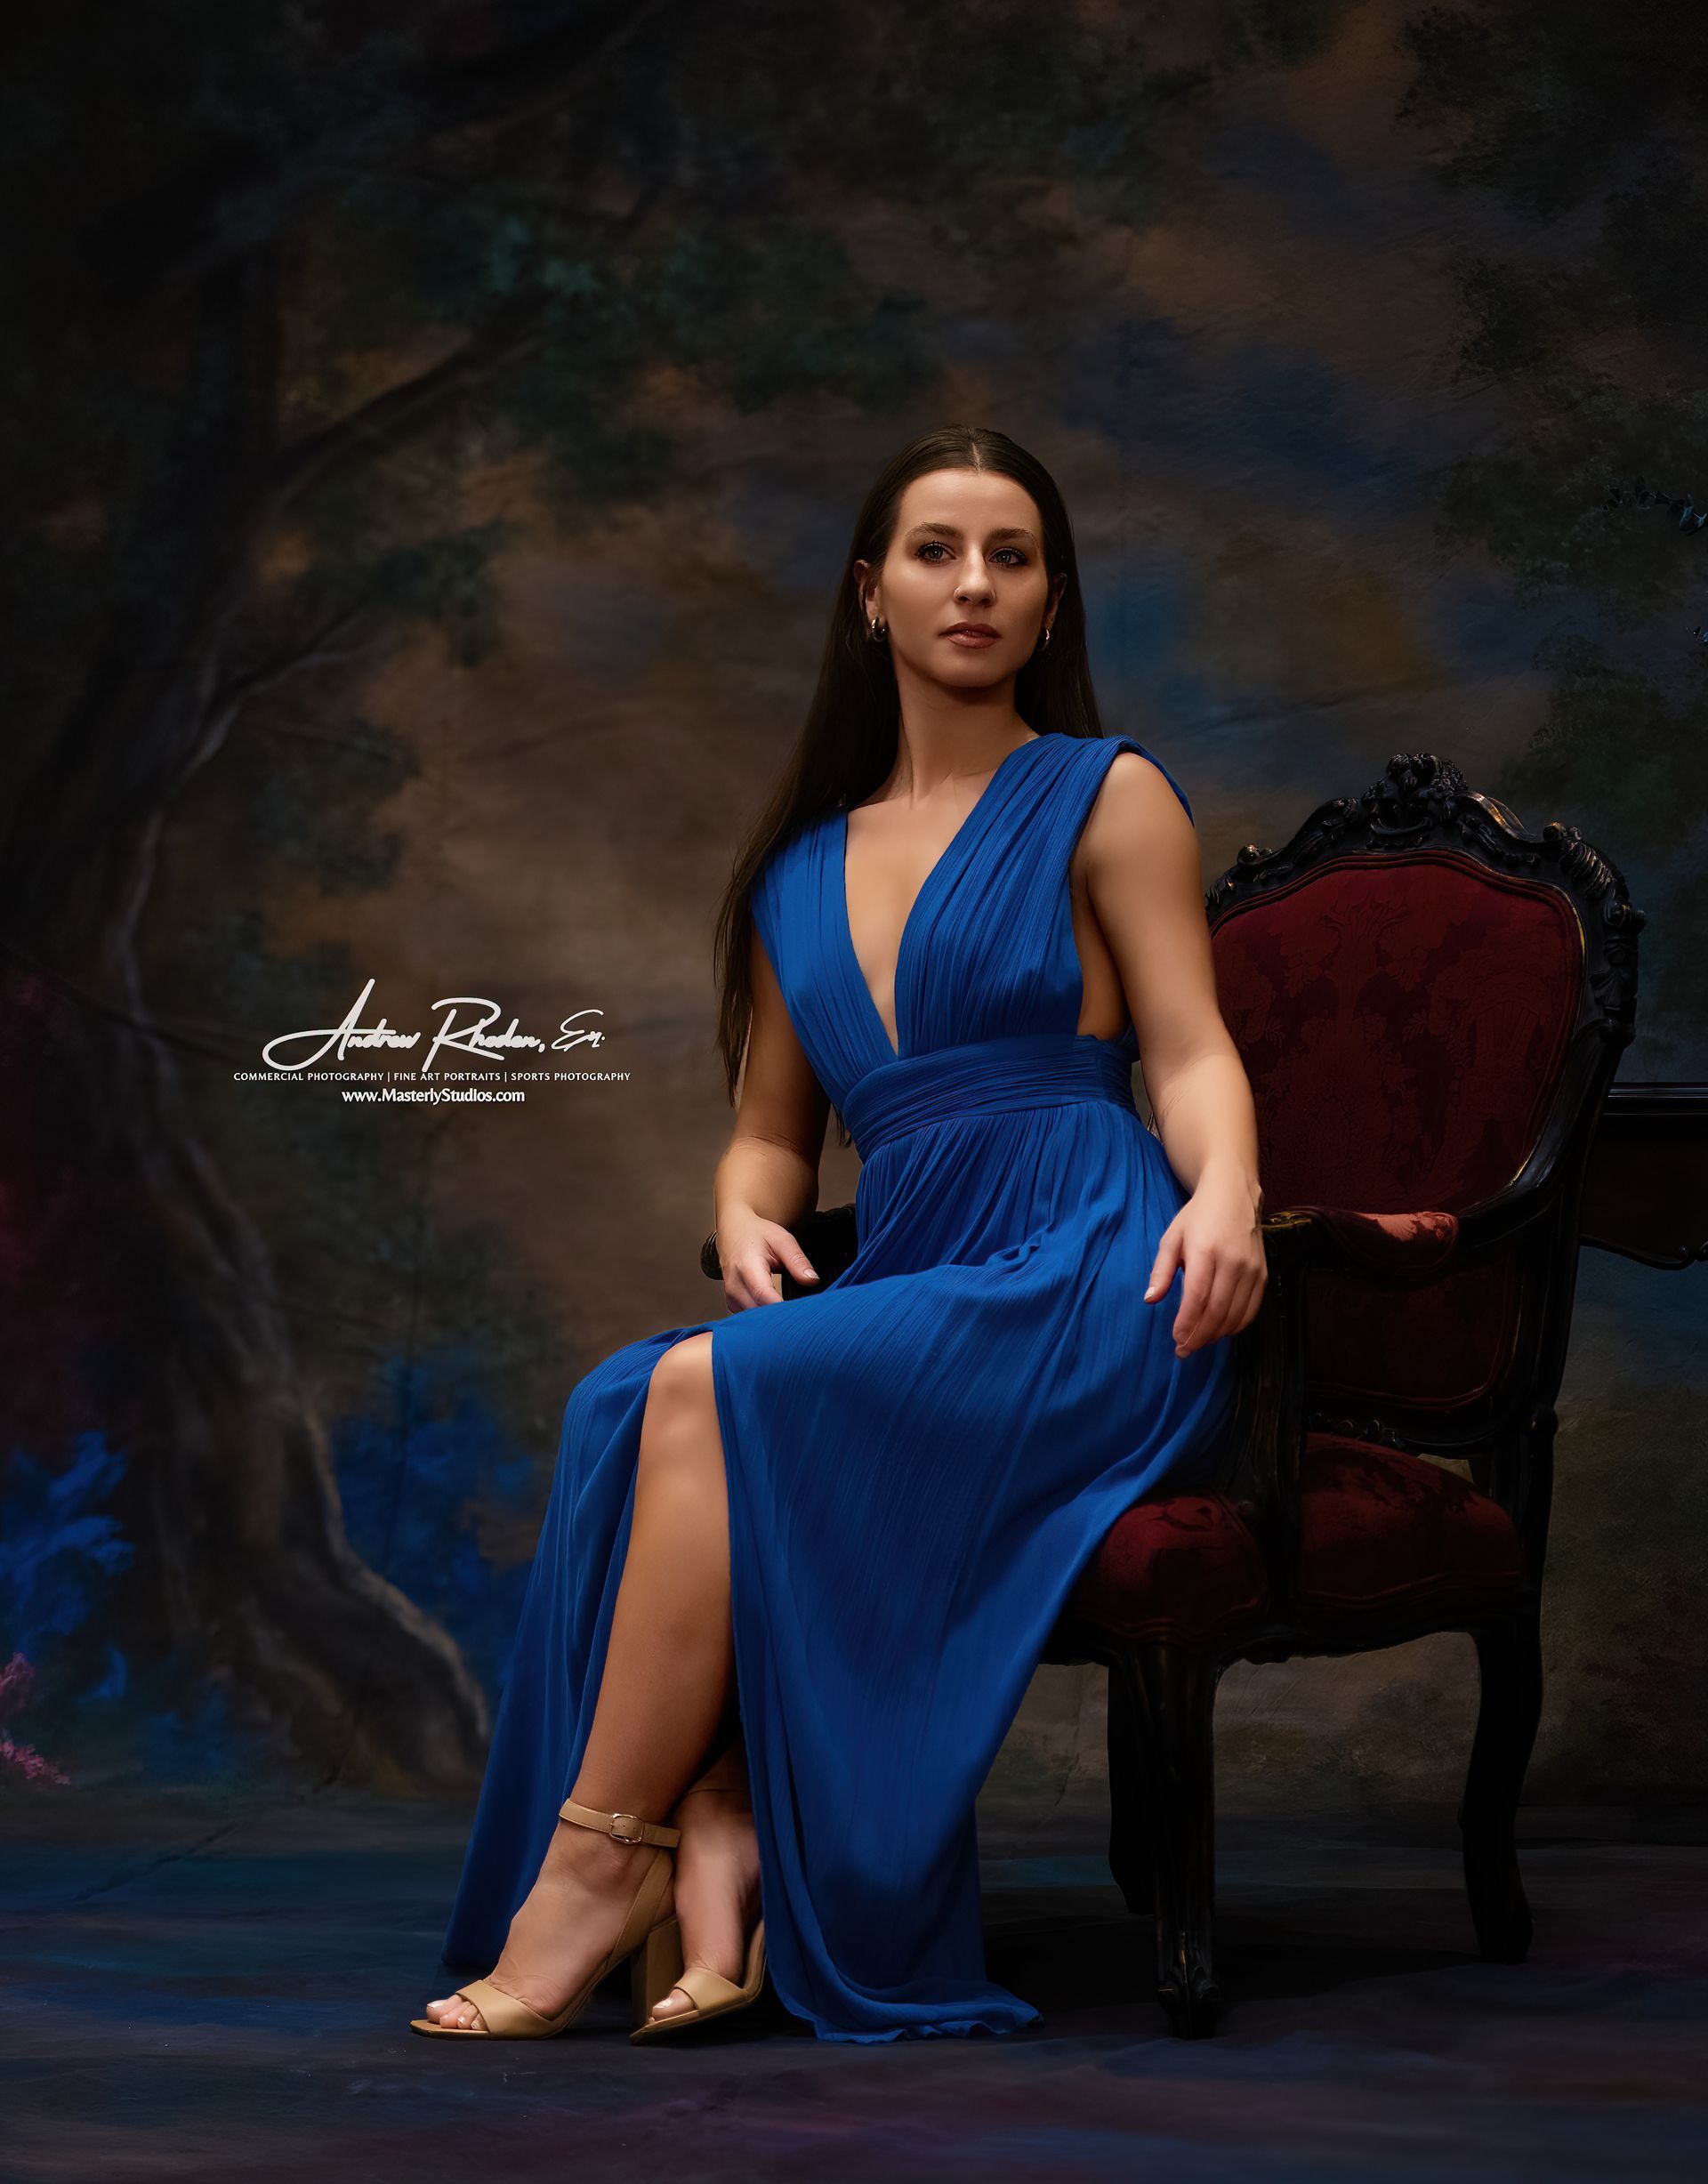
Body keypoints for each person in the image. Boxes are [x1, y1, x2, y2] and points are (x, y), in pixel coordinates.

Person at [412, 423, 1266, 2044]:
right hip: (926, 1269)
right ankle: (718, 1838)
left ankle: (600, 1869)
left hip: (1085, 1267)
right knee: (626, 1396)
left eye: (1011, 556)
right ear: (871, 594)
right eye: (939, 551)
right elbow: (766, 1138)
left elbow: (1190, 1048)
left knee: (692, 1397)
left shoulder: (1106, 793)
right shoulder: (797, 876)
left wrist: (1223, 1191)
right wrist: (742, 1220)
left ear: (1051, 598)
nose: (975, 585)